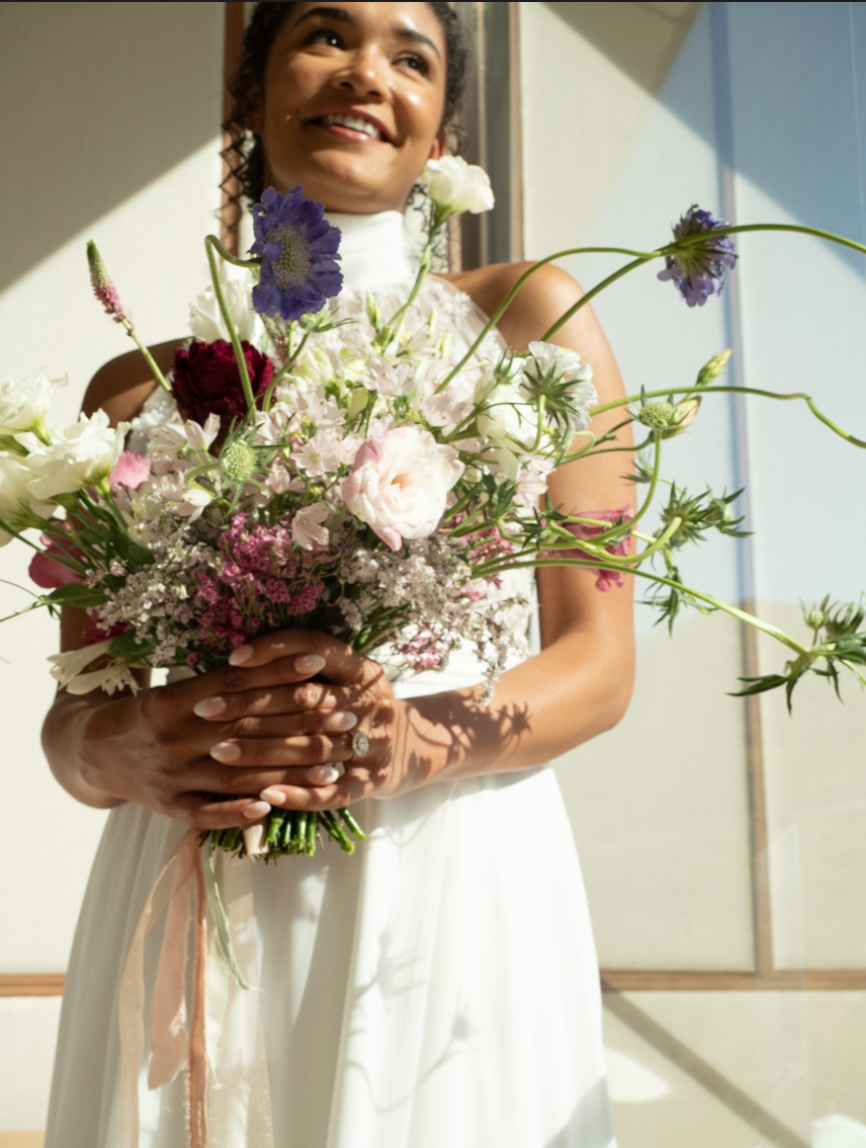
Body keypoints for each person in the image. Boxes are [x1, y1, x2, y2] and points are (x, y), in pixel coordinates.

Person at [43, 3, 634, 1145]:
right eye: (325, 35)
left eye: (410, 56)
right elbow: (76, 719)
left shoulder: (531, 321)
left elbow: (600, 663)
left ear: (439, 133)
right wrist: (121, 747)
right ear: (252, 91)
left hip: (447, 868)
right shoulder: (131, 391)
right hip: (191, 871)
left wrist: (410, 741)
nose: (366, 73)